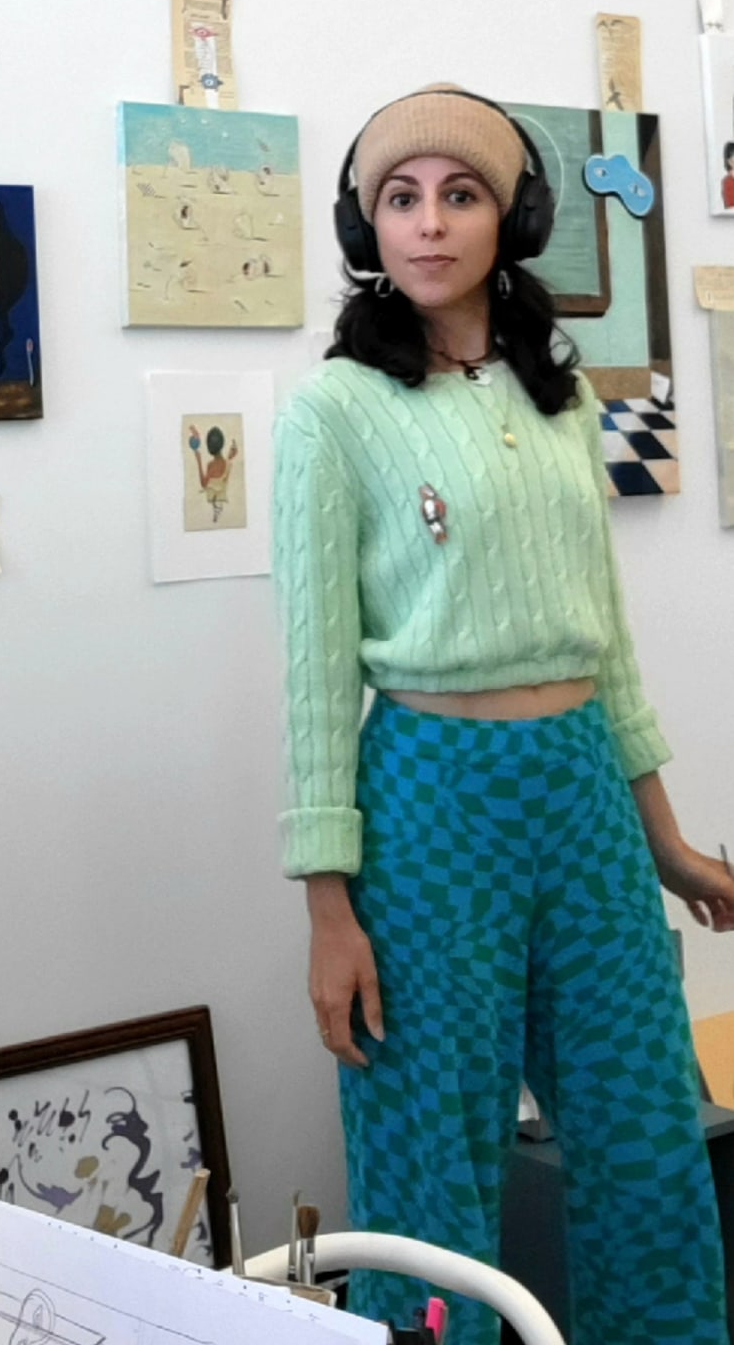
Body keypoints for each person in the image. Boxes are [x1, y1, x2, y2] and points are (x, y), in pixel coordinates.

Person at [273, 83, 734, 1345]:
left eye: (460, 193)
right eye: (401, 197)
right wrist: (328, 908)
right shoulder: (334, 410)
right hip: (430, 797)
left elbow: (606, 639)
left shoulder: (562, 398)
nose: (430, 222)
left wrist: (668, 840)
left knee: (648, 1138)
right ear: (368, 226)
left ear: (511, 218)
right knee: (433, 1166)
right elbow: (314, 675)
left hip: (581, 792)